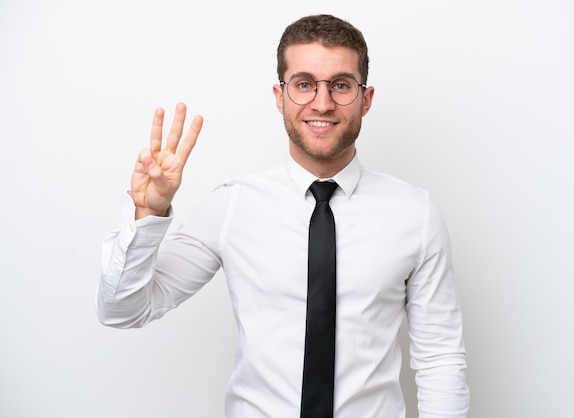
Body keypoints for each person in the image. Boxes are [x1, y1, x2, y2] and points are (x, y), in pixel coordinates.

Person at [97, 14, 470, 418]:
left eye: (341, 85)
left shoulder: (415, 214)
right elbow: (122, 310)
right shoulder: (233, 206)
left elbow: (440, 359)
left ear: (366, 98)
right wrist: (147, 214)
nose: (322, 103)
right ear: (280, 96)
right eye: (304, 84)